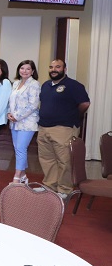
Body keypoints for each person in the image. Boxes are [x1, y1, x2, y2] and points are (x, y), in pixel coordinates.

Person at [37, 59, 90, 199]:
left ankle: (64, 190)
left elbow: (84, 103)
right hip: (43, 128)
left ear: (64, 69)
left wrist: (73, 115)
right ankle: (49, 186)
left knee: (64, 161)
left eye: (57, 67)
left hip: (63, 129)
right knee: (46, 159)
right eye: (51, 67)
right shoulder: (46, 85)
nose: (54, 69)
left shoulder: (74, 85)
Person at [7, 60, 41, 184]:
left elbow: (33, 105)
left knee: (21, 148)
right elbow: (11, 101)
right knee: (17, 149)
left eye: (28, 69)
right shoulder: (16, 83)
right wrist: (9, 113)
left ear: (32, 71)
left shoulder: (35, 84)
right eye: (22, 68)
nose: (24, 71)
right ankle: (23, 176)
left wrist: (17, 116)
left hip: (28, 122)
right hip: (14, 122)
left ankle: (16, 178)